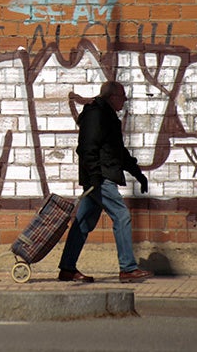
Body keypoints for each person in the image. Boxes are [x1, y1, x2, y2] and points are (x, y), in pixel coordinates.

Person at [57, 80, 153, 283]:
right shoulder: (96, 115)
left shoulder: (106, 116)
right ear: (112, 97)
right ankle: (127, 268)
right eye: (122, 97)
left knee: (83, 222)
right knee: (121, 216)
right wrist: (94, 178)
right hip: (100, 178)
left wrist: (138, 174)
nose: (125, 101)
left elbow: (117, 151)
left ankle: (67, 268)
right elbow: (86, 147)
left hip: (100, 176)